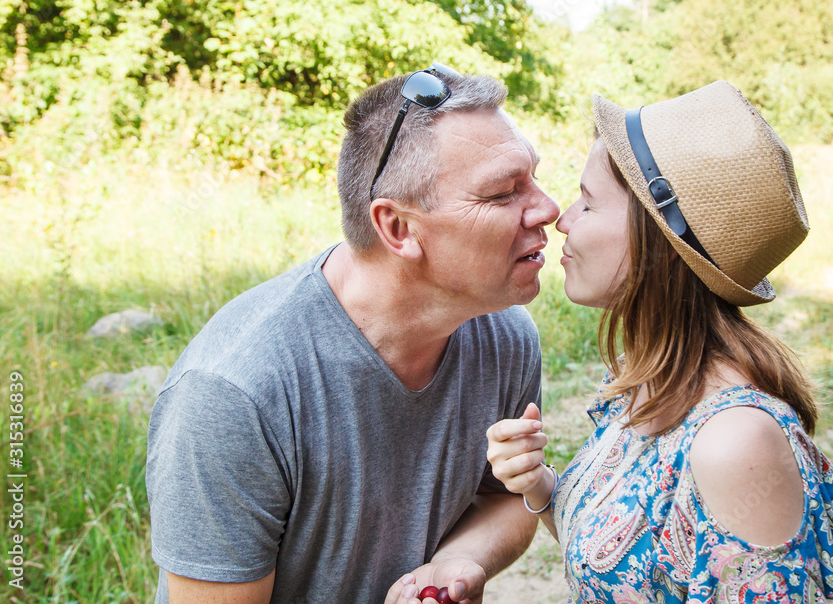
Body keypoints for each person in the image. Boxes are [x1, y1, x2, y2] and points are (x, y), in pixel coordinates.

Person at [146, 63, 560, 604]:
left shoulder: (503, 334)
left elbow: (505, 496)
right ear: (398, 228)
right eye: (503, 193)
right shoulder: (235, 394)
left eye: (532, 178)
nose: (550, 209)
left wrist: (455, 564)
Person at [487, 81, 833, 602]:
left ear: (660, 244)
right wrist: (538, 484)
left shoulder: (733, 444)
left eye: (588, 203)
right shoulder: (646, 376)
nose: (562, 221)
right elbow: (630, 570)